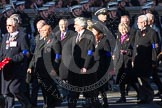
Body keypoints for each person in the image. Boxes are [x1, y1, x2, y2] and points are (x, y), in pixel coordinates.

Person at [67, 17, 101, 108]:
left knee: (91, 93)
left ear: (81, 26)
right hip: (75, 68)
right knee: (73, 93)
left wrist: (85, 66)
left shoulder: (89, 35)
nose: (74, 26)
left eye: (76, 24)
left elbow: (90, 52)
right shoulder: (75, 35)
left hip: (86, 69)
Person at [27, 24, 62, 108]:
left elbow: (58, 56)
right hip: (39, 70)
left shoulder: (54, 41)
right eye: (41, 31)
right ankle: (52, 102)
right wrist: (30, 66)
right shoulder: (40, 41)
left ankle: (51, 104)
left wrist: (54, 68)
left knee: (48, 90)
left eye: (43, 31)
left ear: (49, 31)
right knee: (43, 90)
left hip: (48, 70)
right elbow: (35, 55)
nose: (41, 32)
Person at [0, 17, 31, 108]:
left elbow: (25, 52)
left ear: (15, 25)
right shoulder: (5, 36)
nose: (7, 27)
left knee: (14, 89)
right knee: (7, 91)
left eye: (9, 25)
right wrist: (1, 62)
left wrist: (13, 59)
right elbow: (2, 51)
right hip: (6, 68)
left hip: (17, 68)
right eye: (6, 25)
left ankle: (26, 103)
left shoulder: (22, 36)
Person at [132, 15, 159, 104]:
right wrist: (133, 59)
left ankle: (149, 96)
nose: (137, 24)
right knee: (140, 80)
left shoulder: (152, 32)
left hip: (147, 60)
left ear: (144, 22)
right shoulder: (137, 32)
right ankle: (142, 97)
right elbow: (135, 47)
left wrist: (154, 60)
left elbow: (155, 47)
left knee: (145, 79)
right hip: (138, 60)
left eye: (138, 22)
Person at [113, 23, 137, 103]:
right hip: (120, 61)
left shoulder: (131, 37)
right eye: (121, 30)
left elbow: (134, 50)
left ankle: (139, 92)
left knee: (130, 80)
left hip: (128, 61)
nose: (123, 31)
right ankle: (122, 97)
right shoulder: (118, 37)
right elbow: (116, 48)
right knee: (121, 80)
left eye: (124, 29)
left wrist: (127, 52)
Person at [91, 21, 111, 108]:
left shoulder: (104, 40)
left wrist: (109, 67)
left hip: (101, 66)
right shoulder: (93, 40)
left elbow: (108, 55)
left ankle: (105, 101)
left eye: (93, 30)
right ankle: (95, 102)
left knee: (101, 86)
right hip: (93, 66)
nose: (92, 31)